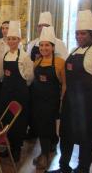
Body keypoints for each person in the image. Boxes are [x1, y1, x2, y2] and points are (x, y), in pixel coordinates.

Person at [48, 10, 92, 173]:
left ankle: (83, 169)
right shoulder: (75, 51)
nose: (79, 37)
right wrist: (64, 101)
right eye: (77, 34)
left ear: (91, 34)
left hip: (89, 107)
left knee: (87, 140)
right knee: (66, 136)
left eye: (83, 34)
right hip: (71, 104)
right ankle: (64, 167)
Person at [0, 21, 34, 162]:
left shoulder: (24, 56)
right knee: (7, 119)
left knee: (19, 121)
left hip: (19, 93)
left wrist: (20, 87)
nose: (11, 41)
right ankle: (8, 147)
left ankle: (16, 149)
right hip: (6, 92)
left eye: (14, 39)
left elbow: (30, 76)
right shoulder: (6, 54)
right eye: (9, 38)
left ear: (19, 40)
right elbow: (3, 74)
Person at [32, 26, 66, 170]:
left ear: (52, 47)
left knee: (44, 126)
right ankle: (52, 145)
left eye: (47, 45)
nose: (44, 48)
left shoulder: (59, 62)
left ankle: (44, 156)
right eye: (41, 45)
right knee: (46, 125)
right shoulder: (37, 62)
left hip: (51, 100)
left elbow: (64, 84)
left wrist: (62, 101)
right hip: (37, 99)